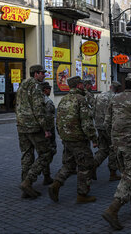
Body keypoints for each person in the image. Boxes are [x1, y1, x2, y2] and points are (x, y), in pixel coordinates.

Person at [102, 73, 131, 230]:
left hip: (116, 143)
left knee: (128, 172)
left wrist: (113, 139)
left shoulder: (114, 98)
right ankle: (113, 209)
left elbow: (107, 122)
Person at [48, 76, 98, 204]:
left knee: (69, 164)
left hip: (67, 138)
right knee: (85, 164)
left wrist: (62, 135)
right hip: (78, 138)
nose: (83, 85)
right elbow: (86, 122)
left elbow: (58, 120)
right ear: (79, 85)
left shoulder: (63, 100)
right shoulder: (80, 99)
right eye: (81, 83)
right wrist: (93, 138)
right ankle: (82, 194)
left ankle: (56, 184)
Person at [15, 64, 52, 199]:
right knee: (46, 153)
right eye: (42, 73)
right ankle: (28, 181)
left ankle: (26, 188)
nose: (44, 75)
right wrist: (46, 128)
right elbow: (38, 109)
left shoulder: (22, 85)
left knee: (27, 155)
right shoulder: (36, 86)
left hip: (21, 125)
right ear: (36, 74)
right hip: (33, 126)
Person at [92, 81, 122, 181]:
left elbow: (93, 110)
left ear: (110, 87)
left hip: (99, 126)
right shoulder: (115, 98)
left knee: (103, 149)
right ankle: (113, 173)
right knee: (113, 149)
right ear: (118, 90)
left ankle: (93, 165)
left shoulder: (100, 95)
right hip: (109, 127)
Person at [40, 81, 57, 185]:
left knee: (43, 152)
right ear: (45, 90)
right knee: (50, 151)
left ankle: (46, 175)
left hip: (38, 130)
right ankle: (44, 173)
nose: (50, 91)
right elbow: (49, 118)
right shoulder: (48, 101)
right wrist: (49, 130)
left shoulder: (36, 100)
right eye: (49, 89)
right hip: (48, 130)